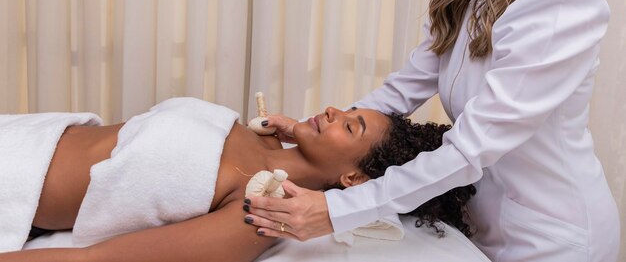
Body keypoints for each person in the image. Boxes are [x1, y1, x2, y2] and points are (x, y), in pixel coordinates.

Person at [244, 0, 621, 261]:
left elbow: (470, 148)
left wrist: (339, 210)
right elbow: (396, 96)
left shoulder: (558, 11)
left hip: (556, 234)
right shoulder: (463, 6)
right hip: (482, 224)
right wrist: (314, 133)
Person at [0, 98, 475, 262]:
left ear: (353, 178)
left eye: (350, 125)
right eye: (349, 111)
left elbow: (101, 259)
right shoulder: (264, 138)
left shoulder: (259, 216)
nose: (334, 110)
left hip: (14, 180)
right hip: (29, 130)